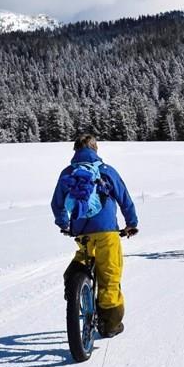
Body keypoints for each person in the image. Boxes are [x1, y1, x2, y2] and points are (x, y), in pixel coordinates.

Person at [51, 134, 138, 338]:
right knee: (109, 276)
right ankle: (110, 326)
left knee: (81, 260)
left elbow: (57, 204)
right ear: (95, 149)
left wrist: (65, 224)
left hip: (81, 231)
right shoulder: (106, 170)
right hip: (106, 230)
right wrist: (131, 223)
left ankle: (75, 292)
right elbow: (124, 198)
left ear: (75, 151)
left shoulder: (68, 172)